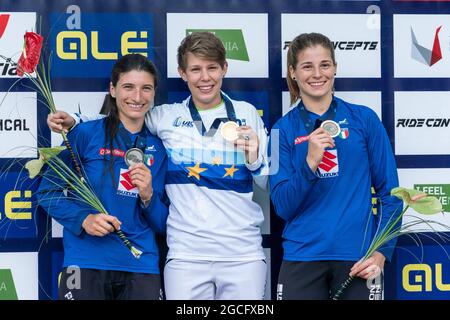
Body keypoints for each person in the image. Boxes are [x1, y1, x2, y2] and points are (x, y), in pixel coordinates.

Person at [47, 32, 269, 300]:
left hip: (240, 254)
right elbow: (126, 113)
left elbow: (266, 181)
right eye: (196, 69)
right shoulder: (166, 118)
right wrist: (76, 119)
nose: (205, 77)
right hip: (184, 256)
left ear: (224, 68)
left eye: (212, 68)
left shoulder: (248, 114)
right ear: (182, 73)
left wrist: (255, 157)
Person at [269, 33, 402, 300]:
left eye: (325, 65)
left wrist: (381, 252)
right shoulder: (279, 131)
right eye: (307, 66)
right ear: (293, 72)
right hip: (302, 257)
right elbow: (282, 206)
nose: (317, 74)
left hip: (358, 259)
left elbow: (392, 194)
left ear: (335, 68)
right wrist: (309, 163)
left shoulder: (365, 119)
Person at [38, 54, 169, 300]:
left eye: (146, 88)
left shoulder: (159, 148)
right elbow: (47, 192)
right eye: (128, 87)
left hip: (140, 265)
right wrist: (84, 219)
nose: (137, 97)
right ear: (112, 89)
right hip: (86, 261)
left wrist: (149, 197)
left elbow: (164, 224)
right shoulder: (85, 134)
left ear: (154, 93)